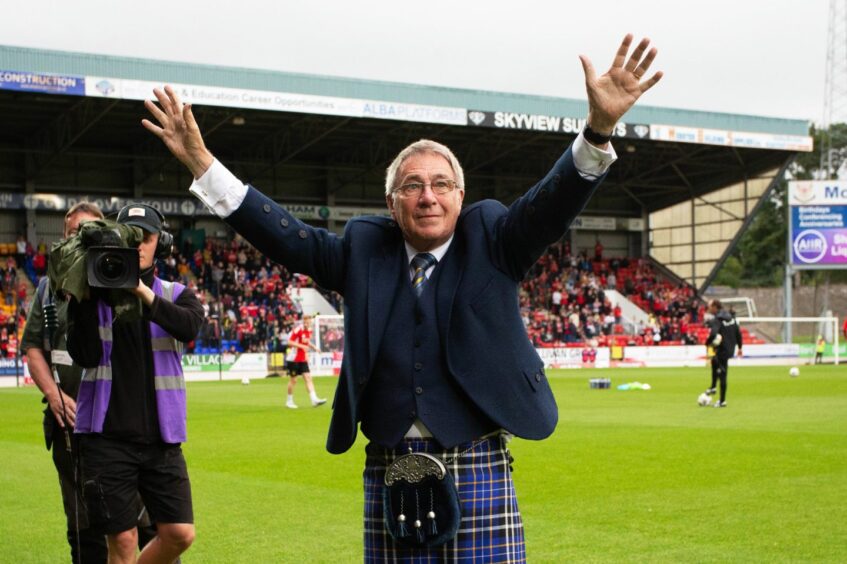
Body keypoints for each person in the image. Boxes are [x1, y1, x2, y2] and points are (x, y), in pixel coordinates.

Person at [143, 33, 661, 562]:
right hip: (390, 469)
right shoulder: (363, 252)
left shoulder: (497, 242)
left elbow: (552, 203)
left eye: (441, 184)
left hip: (476, 463)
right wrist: (204, 165)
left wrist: (597, 132)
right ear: (392, 203)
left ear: (461, 195)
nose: (428, 196)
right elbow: (286, 236)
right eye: (412, 186)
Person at [66, 204, 204, 563]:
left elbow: (190, 327)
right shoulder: (94, 296)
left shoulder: (176, 294)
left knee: (179, 534)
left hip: (162, 440)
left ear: (162, 244)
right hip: (106, 438)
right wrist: (81, 302)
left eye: (147, 238)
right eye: (132, 237)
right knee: (123, 541)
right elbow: (84, 355)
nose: (139, 245)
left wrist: (142, 293)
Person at [704, 299, 742, 408]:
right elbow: (738, 332)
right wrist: (740, 347)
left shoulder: (718, 319)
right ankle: (713, 387)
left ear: (715, 307)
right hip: (730, 348)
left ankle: (722, 401)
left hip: (723, 350)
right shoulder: (730, 317)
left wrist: (707, 344)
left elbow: (713, 334)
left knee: (722, 374)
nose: (708, 308)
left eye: (710, 306)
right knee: (714, 361)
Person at [284, 314, 326, 408]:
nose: (307, 323)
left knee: (308, 377)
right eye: (306, 321)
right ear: (303, 321)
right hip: (293, 359)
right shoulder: (298, 329)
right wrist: (302, 346)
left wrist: (315, 348)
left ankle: (314, 399)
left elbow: (306, 341)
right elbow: (290, 342)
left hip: (302, 359)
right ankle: (289, 401)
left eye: (309, 321)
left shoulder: (309, 330)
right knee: (293, 380)